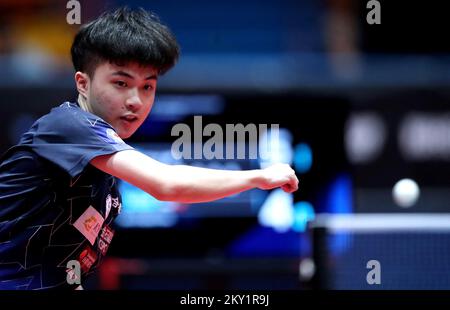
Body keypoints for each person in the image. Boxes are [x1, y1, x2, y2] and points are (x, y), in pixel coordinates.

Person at [0, 7, 299, 290]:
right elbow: (167, 185)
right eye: (121, 83)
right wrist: (258, 177)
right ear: (82, 83)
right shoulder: (69, 125)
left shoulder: (101, 176)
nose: (136, 100)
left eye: (147, 87)